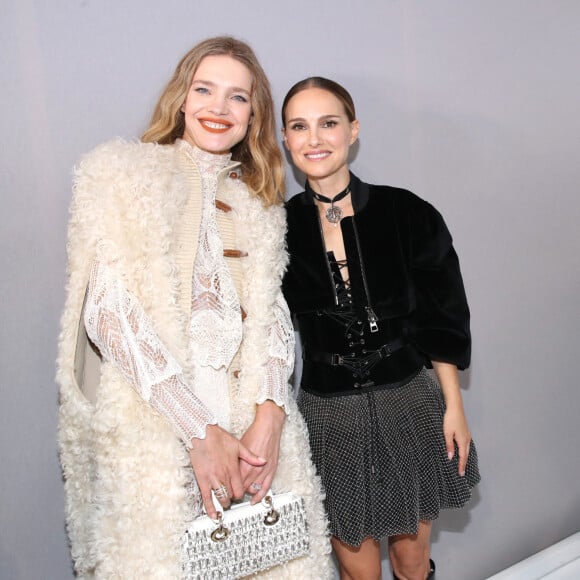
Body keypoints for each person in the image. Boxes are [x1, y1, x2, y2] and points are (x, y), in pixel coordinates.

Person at [57, 38, 331, 579]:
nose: (218, 107)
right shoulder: (120, 175)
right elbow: (108, 311)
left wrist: (271, 417)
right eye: (204, 89)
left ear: (253, 115)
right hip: (158, 425)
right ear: (182, 97)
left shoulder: (259, 199)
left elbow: (272, 313)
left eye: (237, 97)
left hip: (253, 427)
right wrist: (199, 431)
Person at [281, 76, 481, 580]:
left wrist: (454, 406)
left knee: (412, 561)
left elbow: (444, 315)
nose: (315, 139)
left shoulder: (406, 213)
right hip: (328, 419)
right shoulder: (274, 231)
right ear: (285, 140)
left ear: (353, 130)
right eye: (299, 127)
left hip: (409, 405)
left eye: (328, 123)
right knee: (358, 571)